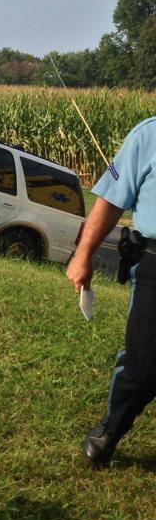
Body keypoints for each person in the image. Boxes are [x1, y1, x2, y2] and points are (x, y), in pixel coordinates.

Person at [67, 117, 156, 468]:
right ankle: (109, 431)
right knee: (145, 365)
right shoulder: (148, 134)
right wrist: (83, 255)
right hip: (154, 263)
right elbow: (110, 201)